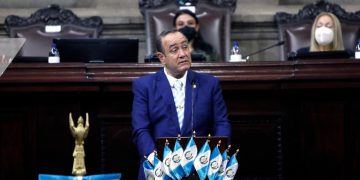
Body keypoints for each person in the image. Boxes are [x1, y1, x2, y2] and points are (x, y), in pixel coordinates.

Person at [131, 29, 231, 179]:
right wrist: (156, 162)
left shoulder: (210, 84)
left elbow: (221, 123)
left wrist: (216, 156)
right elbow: (140, 129)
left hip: (201, 169)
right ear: (162, 58)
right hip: (159, 168)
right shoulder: (144, 86)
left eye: (185, 47)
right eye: (174, 50)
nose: (183, 54)